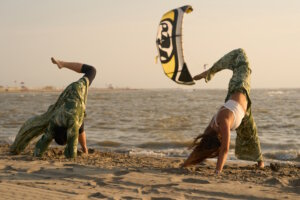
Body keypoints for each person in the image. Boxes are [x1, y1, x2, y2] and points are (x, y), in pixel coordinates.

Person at [182, 48, 264, 174]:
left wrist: (217, 171)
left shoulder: (220, 122)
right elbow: (215, 149)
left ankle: (209, 72)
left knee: (240, 55)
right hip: (242, 108)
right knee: (251, 134)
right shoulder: (220, 124)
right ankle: (260, 162)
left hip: (238, 87)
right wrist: (216, 171)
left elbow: (223, 149)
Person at [10, 58, 96, 158]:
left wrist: (38, 155)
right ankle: (85, 149)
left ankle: (62, 64)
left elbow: (71, 145)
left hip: (77, 90)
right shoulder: (54, 122)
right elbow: (43, 141)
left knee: (92, 70)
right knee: (78, 120)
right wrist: (36, 154)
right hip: (67, 94)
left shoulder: (65, 124)